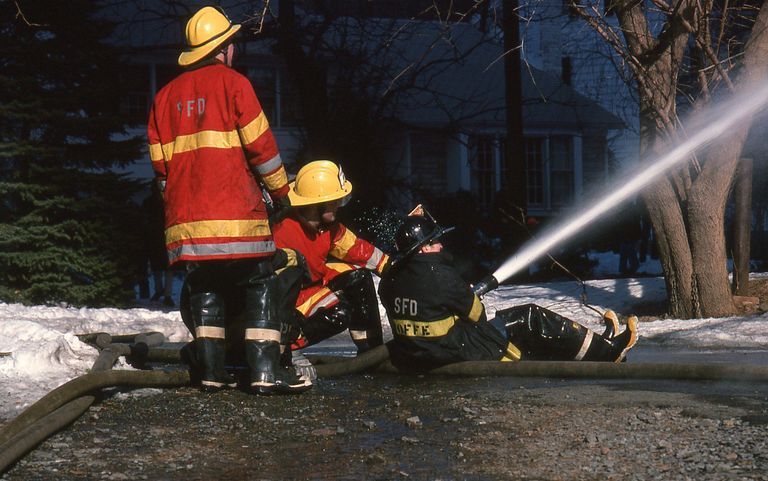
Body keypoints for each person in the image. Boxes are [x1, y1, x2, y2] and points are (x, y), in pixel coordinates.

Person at [147, 6, 309, 395]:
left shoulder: (163, 98)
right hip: (237, 218)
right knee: (261, 283)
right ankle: (265, 372)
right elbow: (262, 149)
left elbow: (162, 172)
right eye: (232, 43)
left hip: (188, 227)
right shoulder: (235, 85)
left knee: (206, 289)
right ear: (223, 48)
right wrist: (281, 193)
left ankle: (211, 374)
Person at [378, 207, 638, 372]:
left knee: (516, 323)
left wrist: (455, 299)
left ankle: (596, 344)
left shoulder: (391, 278)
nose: (440, 246)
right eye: (434, 241)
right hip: (457, 351)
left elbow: (422, 308)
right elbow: (477, 315)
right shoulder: (440, 275)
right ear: (423, 248)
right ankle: (608, 353)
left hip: (421, 352)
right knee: (529, 317)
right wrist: (466, 295)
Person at [272, 160, 389, 355]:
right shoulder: (283, 231)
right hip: (290, 298)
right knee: (338, 314)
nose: (338, 206)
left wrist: (392, 268)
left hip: (312, 283)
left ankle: (371, 351)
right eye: (334, 201)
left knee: (359, 278)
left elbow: (356, 249)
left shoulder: (327, 227)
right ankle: (287, 346)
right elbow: (278, 288)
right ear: (316, 204)